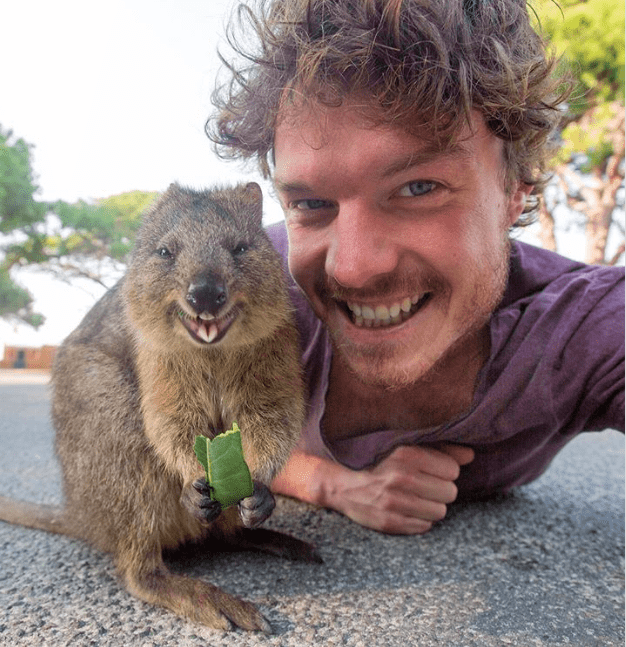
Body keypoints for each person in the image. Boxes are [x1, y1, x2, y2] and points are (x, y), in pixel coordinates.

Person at [207, 0, 625, 535]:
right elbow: (143, 409)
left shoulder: (580, 325)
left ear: (514, 190)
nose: (352, 270)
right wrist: (330, 484)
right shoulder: (250, 289)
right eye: (311, 204)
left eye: (418, 188)